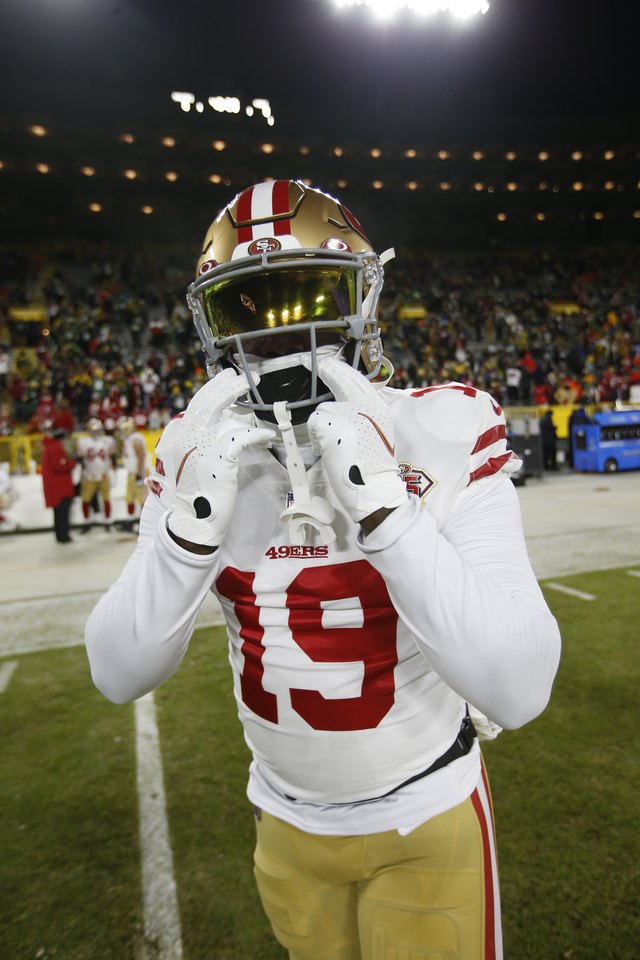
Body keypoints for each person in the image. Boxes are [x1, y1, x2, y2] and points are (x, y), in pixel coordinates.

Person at [85, 180, 561, 960]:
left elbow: (522, 687)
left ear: (362, 295)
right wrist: (189, 530)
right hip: (286, 823)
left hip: (425, 812)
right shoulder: (190, 449)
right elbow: (115, 670)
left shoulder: (439, 426)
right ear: (214, 323)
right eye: (251, 307)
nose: (285, 335)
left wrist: (387, 510)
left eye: (309, 294)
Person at [76, 417, 116, 532]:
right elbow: (79, 458)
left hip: (104, 474)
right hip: (90, 475)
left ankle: (107, 522)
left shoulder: (108, 440)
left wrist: (114, 471)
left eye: (97, 430)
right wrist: (80, 473)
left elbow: (113, 456)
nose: (95, 432)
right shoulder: (83, 441)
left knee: (106, 499)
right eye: (92, 430)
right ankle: (87, 522)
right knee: (85, 500)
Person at [41, 428, 77, 543]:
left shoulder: (49, 448)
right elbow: (61, 466)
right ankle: (64, 536)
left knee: (58, 514)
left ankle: (60, 535)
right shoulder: (56, 449)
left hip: (54, 488)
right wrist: (74, 462)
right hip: (61, 488)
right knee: (62, 513)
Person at [115, 415, 149, 530]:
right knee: (129, 497)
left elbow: (141, 457)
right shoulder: (129, 439)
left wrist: (140, 475)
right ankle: (130, 522)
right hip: (132, 473)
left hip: (138, 472)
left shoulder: (135, 439)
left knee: (142, 499)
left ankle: (145, 525)